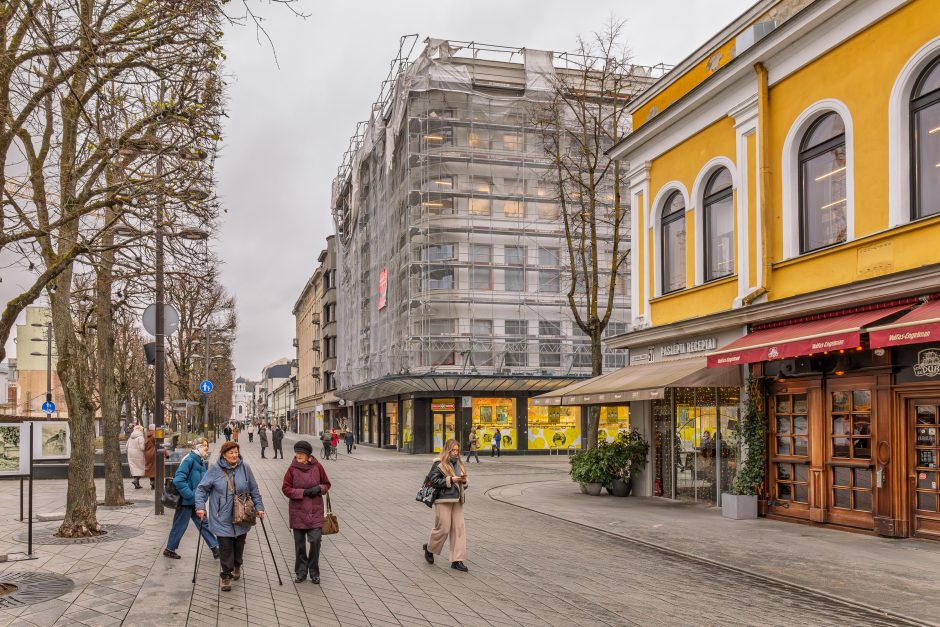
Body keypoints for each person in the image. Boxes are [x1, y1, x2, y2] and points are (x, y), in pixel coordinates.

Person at [195, 441, 265, 592]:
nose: (234, 455)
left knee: (239, 547)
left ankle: (237, 565)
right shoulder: (215, 470)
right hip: (222, 516)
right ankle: (226, 576)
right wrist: (200, 507)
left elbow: (254, 489)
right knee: (226, 547)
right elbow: (201, 489)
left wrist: (259, 507)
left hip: (242, 515)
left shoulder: (245, 468)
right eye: (230, 453)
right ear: (223, 454)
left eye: (236, 452)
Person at [282, 440, 331, 584]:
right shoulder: (292, 469)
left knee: (315, 541)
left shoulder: (318, 467)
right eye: (297, 455)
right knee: (300, 545)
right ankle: (301, 572)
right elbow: (286, 488)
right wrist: (302, 492)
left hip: (315, 511)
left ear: (309, 456)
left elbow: (327, 484)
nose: (298, 458)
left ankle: (314, 571)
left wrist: (319, 489)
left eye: (301, 455)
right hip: (298, 512)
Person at [163, 438, 219, 560]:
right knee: (180, 525)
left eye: (207, 445)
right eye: (204, 445)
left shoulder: (199, 460)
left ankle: (215, 548)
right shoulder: (189, 460)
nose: (207, 447)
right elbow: (178, 480)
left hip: (195, 502)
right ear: (197, 447)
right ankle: (169, 549)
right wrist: (191, 495)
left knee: (204, 523)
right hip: (186, 502)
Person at [423, 439, 469, 573]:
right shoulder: (439, 463)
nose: (455, 453)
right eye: (453, 450)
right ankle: (429, 548)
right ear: (447, 450)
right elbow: (433, 480)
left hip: (458, 500)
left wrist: (464, 482)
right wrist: (450, 480)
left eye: (457, 450)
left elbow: (464, 485)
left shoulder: (459, 464)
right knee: (443, 528)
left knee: (459, 529)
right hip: (443, 500)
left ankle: (457, 560)